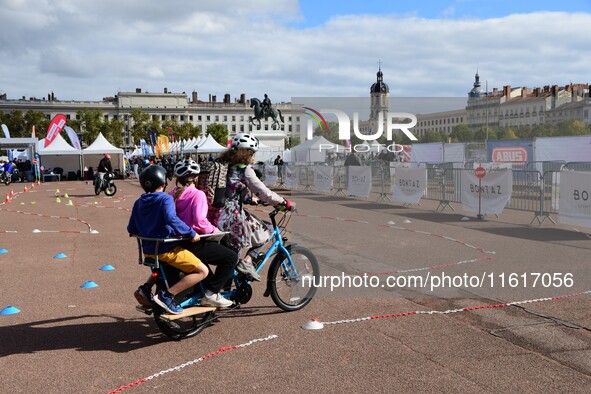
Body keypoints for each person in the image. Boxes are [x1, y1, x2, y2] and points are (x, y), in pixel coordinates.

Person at [128, 165, 208, 314]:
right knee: (202, 271)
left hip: (149, 251)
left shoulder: (138, 202)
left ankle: (145, 288)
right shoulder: (165, 198)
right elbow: (172, 219)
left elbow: (131, 228)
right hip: (167, 249)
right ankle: (168, 296)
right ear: (163, 183)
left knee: (161, 266)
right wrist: (191, 233)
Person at [215, 133, 293, 281]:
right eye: (252, 153)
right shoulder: (244, 169)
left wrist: (250, 199)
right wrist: (283, 202)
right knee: (268, 229)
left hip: (215, 215)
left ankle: (225, 288)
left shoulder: (223, 165)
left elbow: (230, 189)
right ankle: (247, 262)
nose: (253, 157)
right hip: (231, 217)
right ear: (247, 153)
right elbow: (264, 192)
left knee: (230, 255)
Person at [168, 159, 237, 308]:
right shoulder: (198, 194)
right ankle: (211, 294)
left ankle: (207, 287)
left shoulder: (172, 194)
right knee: (231, 257)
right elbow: (200, 222)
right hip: (194, 241)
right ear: (197, 177)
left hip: (177, 242)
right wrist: (217, 231)